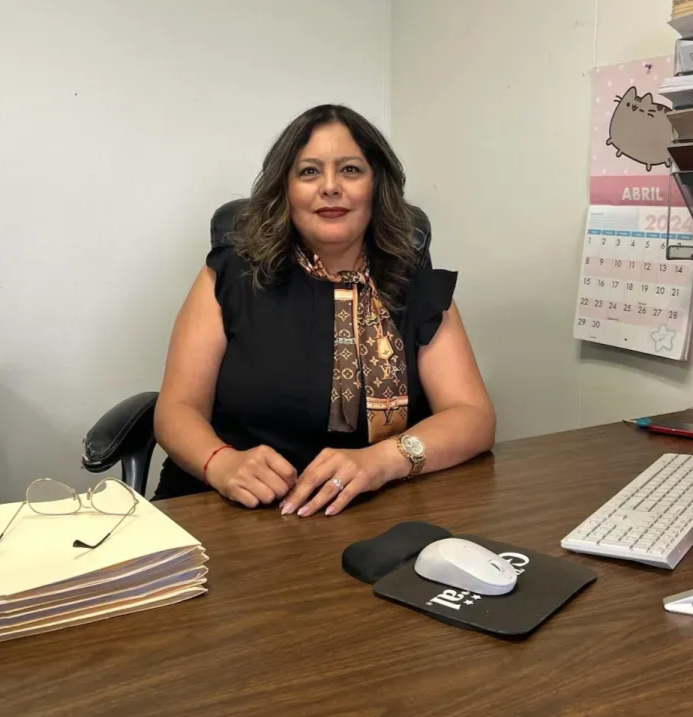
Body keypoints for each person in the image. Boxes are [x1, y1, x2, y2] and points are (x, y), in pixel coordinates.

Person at [152, 104, 495, 517]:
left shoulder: (416, 286)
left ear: (376, 185)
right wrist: (221, 463)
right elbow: (177, 409)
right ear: (286, 189)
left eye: (350, 169)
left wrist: (383, 460)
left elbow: (473, 417)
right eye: (309, 171)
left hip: (369, 508)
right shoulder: (232, 276)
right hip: (230, 506)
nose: (330, 187)